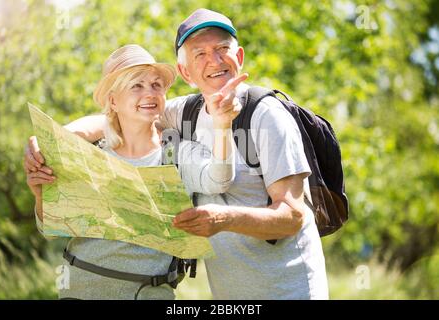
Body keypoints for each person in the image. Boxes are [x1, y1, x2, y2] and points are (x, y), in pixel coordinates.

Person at [25, 8, 329, 299]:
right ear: (185, 71)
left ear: (239, 57)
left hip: (292, 290)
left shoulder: (267, 116)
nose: (215, 60)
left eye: (222, 49)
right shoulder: (186, 112)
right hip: (228, 295)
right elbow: (125, 116)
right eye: (200, 53)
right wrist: (55, 140)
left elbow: (292, 216)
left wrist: (223, 219)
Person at [25, 43, 246, 299]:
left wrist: (222, 125)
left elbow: (219, 180)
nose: (150, 93)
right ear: (113, 101)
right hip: (79, 290)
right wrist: (41, 196)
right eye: (136, 86)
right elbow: (50, 230)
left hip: (147, 293)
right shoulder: (90, 154)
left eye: (156, 85)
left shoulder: (177, 154)